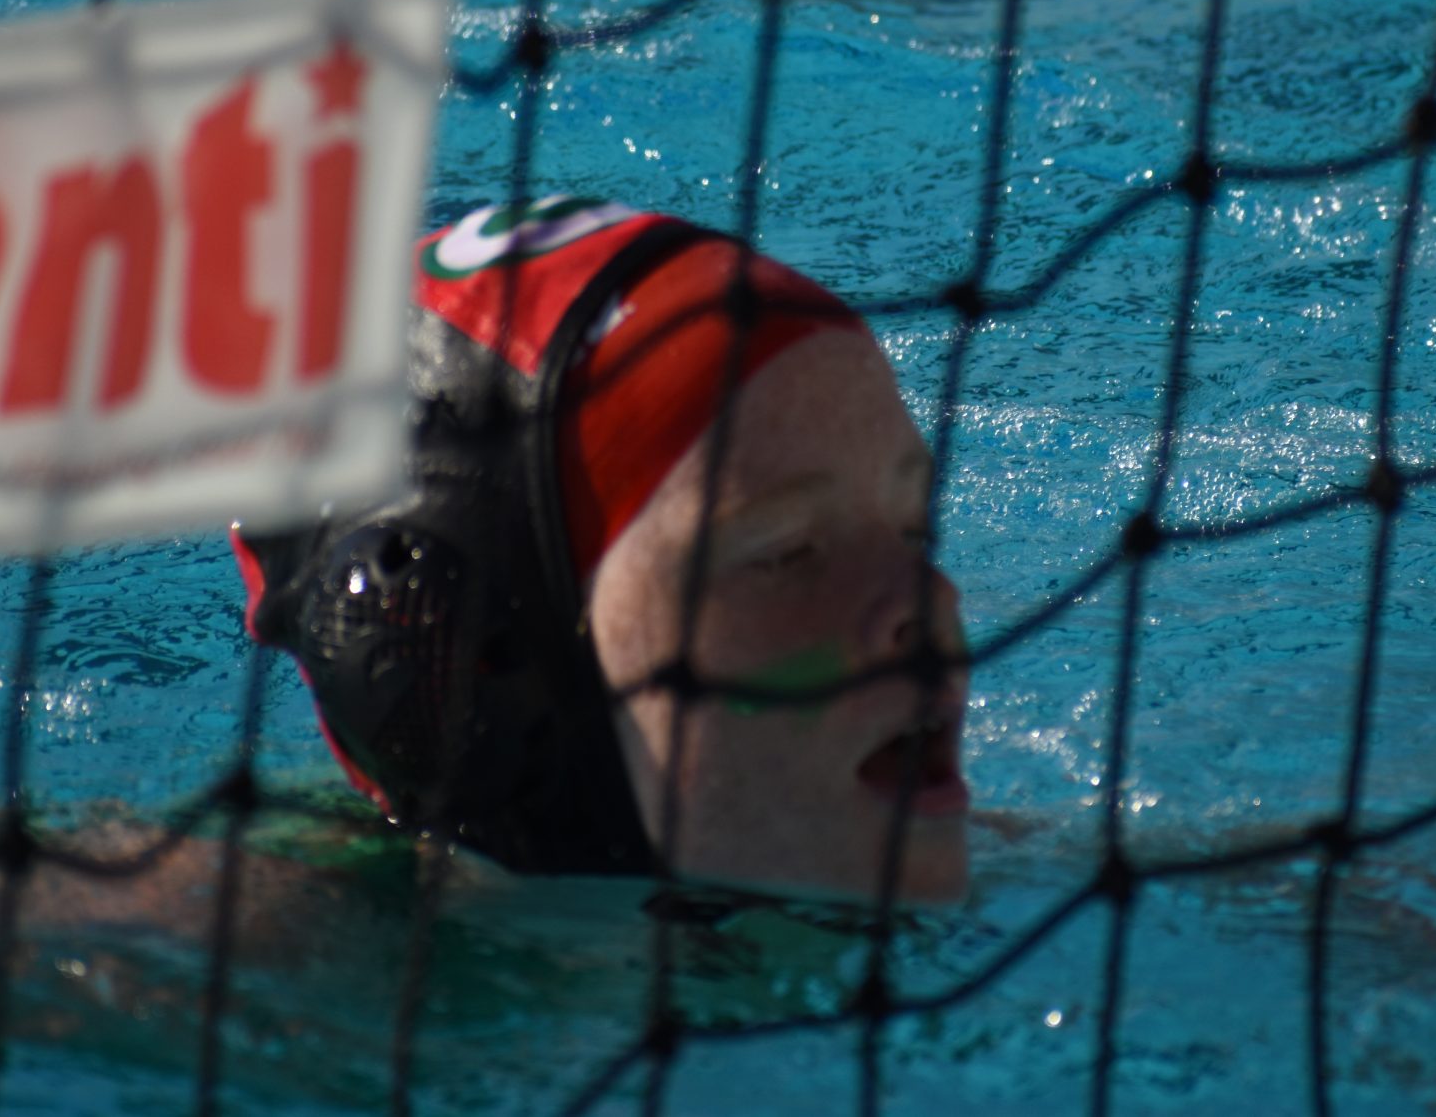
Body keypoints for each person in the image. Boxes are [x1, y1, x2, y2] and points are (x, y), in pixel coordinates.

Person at [232, 196, 972, 905]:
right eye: (787, 552)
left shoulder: (1043, 883)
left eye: (916, 532)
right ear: (472, 657)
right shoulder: (227, 946)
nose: (931, 600)